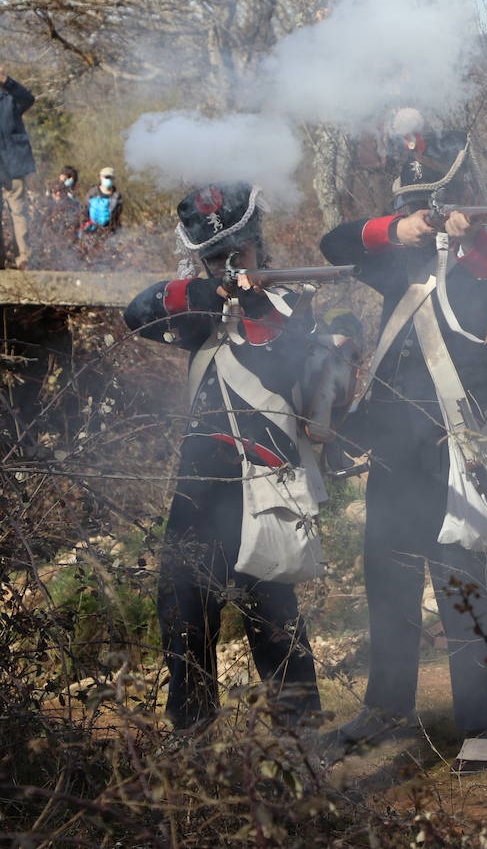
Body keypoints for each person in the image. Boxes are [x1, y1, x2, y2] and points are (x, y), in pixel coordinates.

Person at [319, 128, 487, 771]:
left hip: (455, 446)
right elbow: (334, 244)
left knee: (463, 584)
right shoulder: (400, 253)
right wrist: (399, 231)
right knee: (386, 580)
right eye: (414, 202)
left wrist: (464, 235)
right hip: (394, 445)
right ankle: (388, 706)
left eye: (434, 200)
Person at [123, 182, 324, 730]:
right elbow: (137, 312)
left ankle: (300, 740)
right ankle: (191, 734)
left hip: (265, 477)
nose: (229, 264)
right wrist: (209, 292)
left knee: (274, 616)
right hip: (200, 485)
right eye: (216, 257)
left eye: (239, 254)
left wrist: (253, 296)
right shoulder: (203, 306)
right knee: (183, 610)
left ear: (259, 247)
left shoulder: (291, 303)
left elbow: (281, 364)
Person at [0, 67, 36, 268]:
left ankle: (23, 258)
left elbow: (29, 99)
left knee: (19, 211)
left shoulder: (11, 97)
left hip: (14, 163)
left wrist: (8, 81)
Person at [84, 166, 124, 239]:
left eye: (110, 177)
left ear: (114, 179)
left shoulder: (117, 196)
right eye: (106, 177)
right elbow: (85, 210)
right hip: (91, 232)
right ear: (100, 177)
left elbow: (117, 215)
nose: (108, 179)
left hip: (110, 233)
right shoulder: (92, 193)